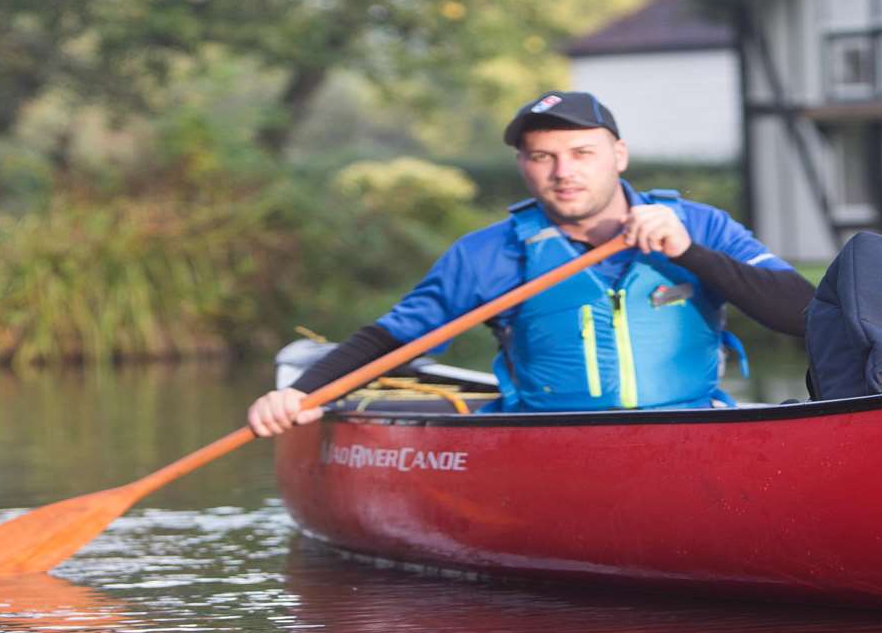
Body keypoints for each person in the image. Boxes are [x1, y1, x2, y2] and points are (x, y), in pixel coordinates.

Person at [247, 91, 814, 435]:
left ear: (618, 155)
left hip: (688, 433)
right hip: (551, 439)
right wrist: (302, 395)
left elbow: (801, 314)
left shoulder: (700, 225)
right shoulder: (487, 254)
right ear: (523, 166)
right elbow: (396, 340)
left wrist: (690, 253)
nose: (563, 172)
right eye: (542, 157)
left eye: (581, 154)